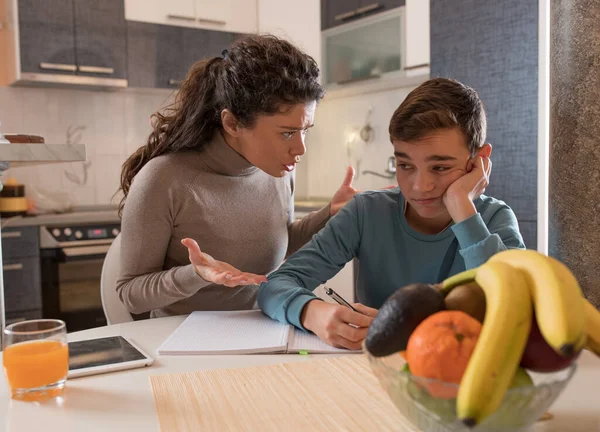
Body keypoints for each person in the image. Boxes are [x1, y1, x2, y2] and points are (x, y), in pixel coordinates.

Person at [257, 77, 526, 350]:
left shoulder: (494, 220)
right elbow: (274, 285)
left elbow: (513, 310)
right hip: (375, 371)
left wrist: (463, 209)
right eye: (405, 165)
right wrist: (312, 312)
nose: (420, 186)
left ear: (479, 160)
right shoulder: (366, 212)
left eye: (440, 167)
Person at [116, 35, 366, 318]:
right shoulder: (163, 179)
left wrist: (329, 213)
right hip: (183, 344)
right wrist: (195, 274)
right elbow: (130, 294)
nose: (300, 148)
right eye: (287, 132)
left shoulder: (279, 170)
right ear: (232, 123)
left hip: (262, 330)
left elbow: (275, 241)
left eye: (305, 130)